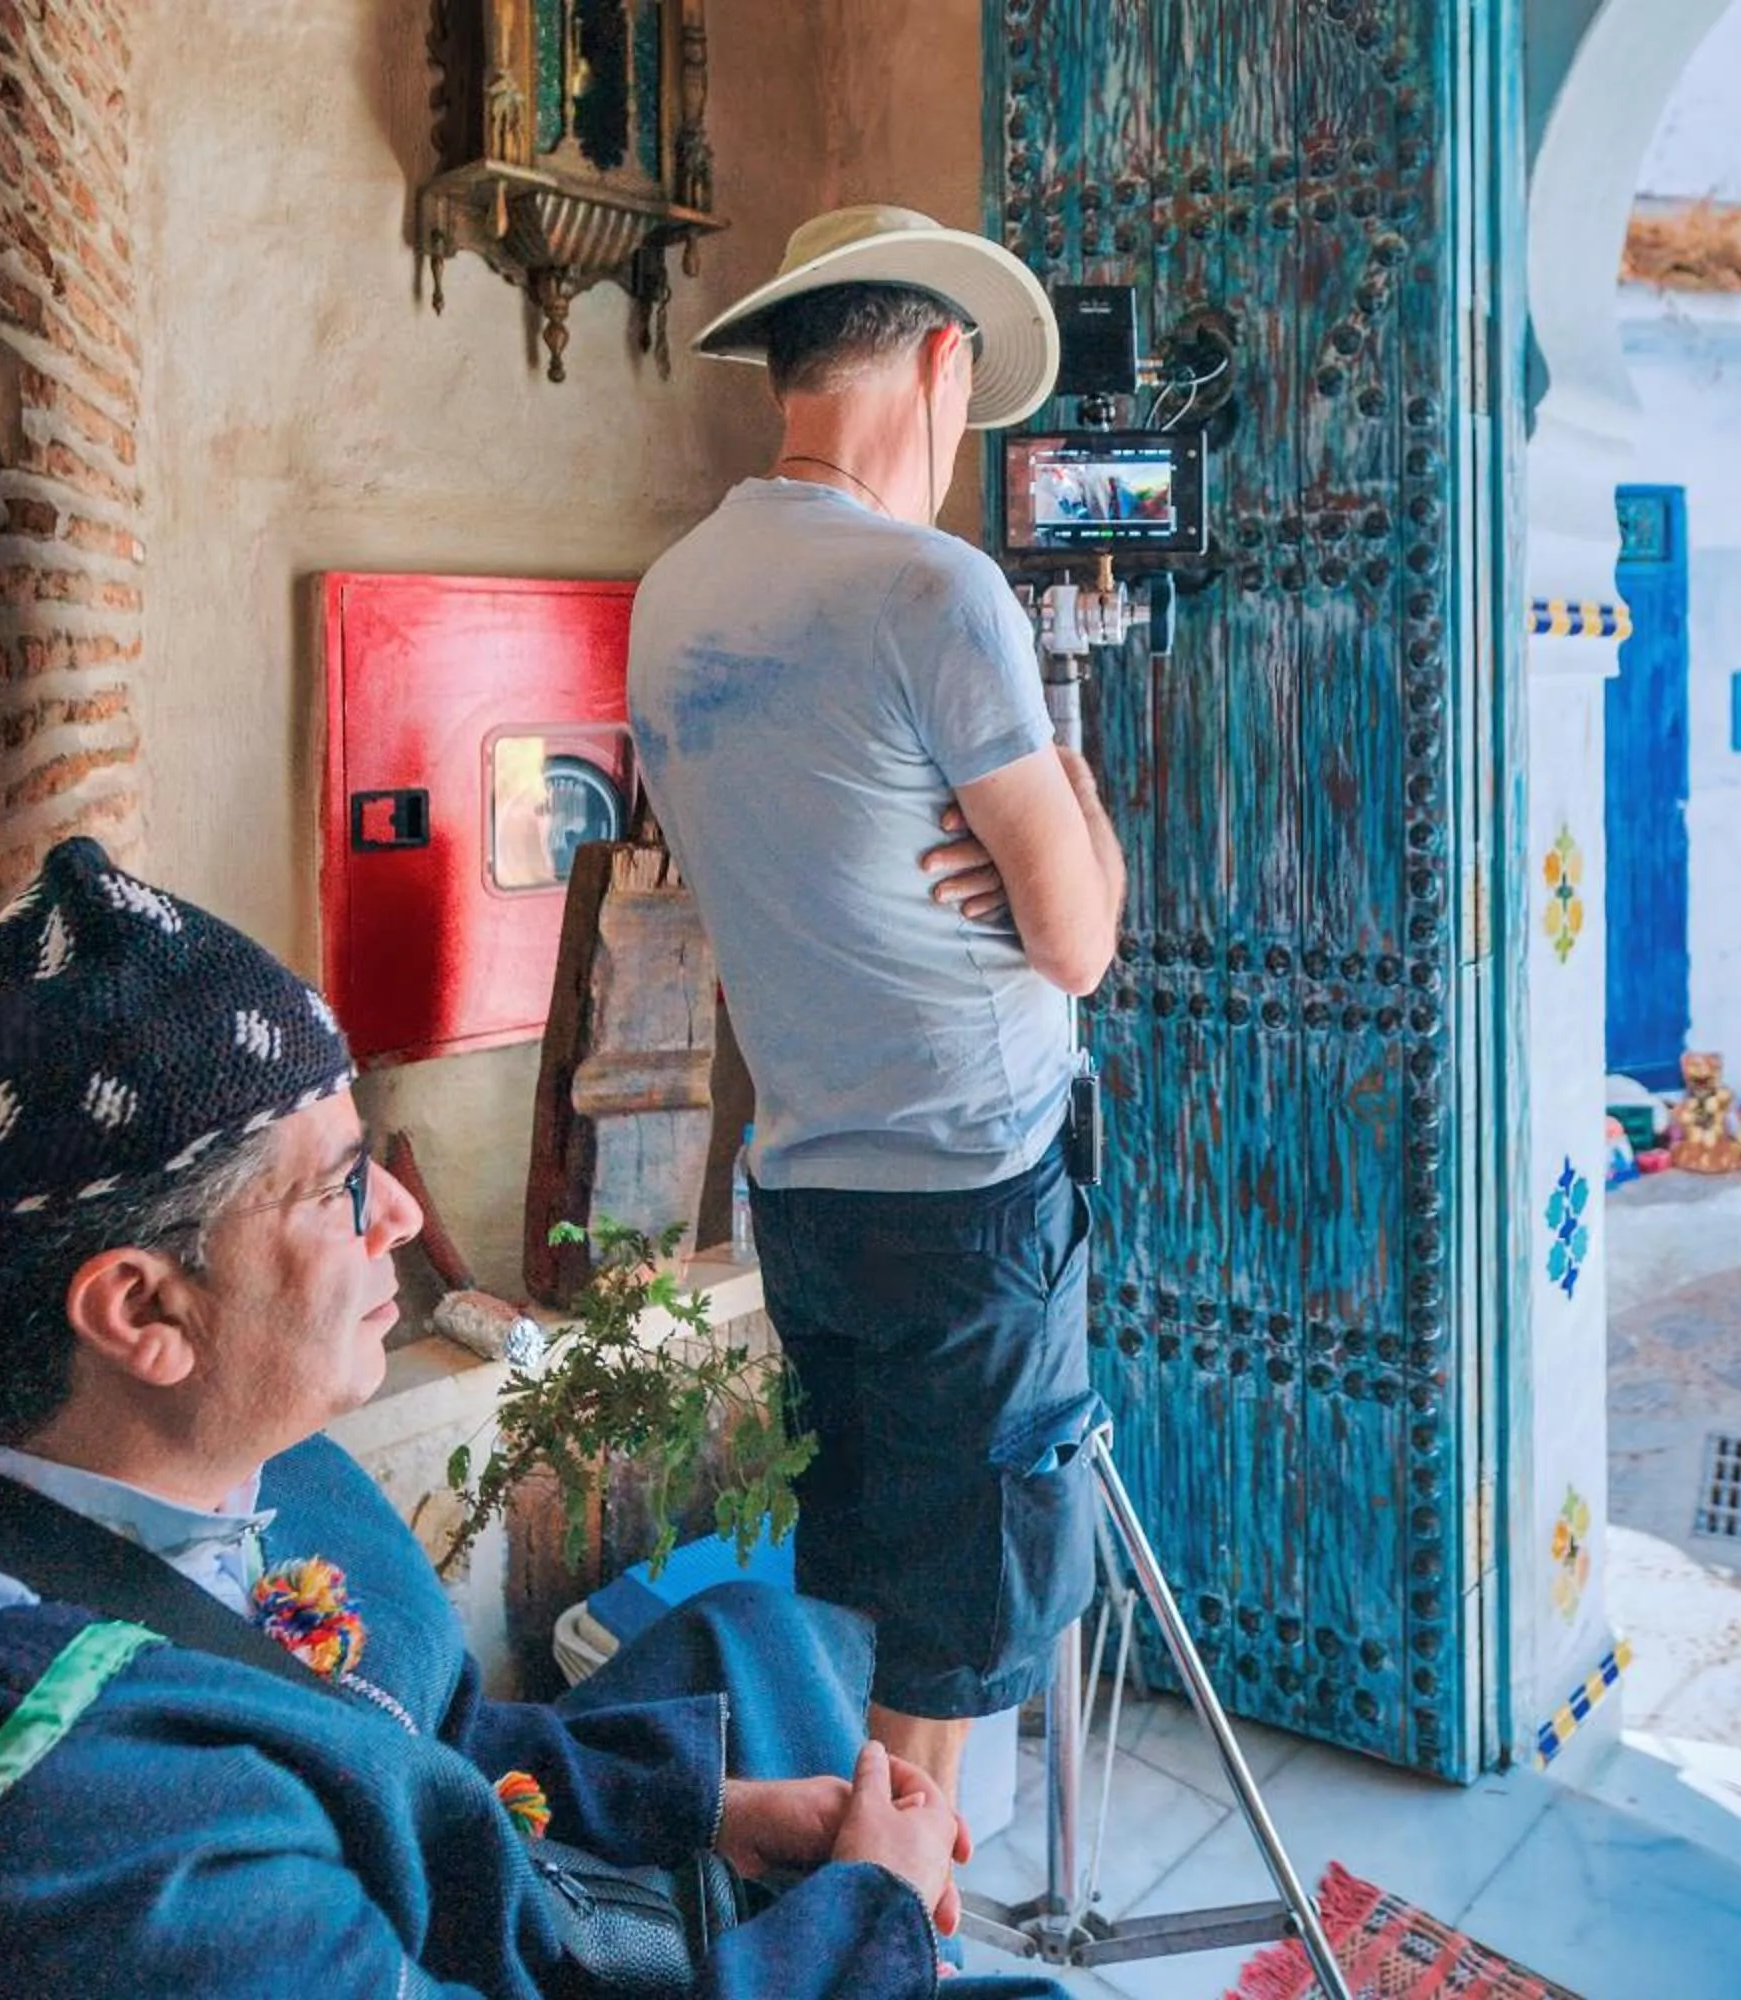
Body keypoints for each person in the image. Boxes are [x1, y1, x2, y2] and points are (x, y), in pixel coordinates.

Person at [0, 838, 1064, 2000]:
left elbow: (410, 1736)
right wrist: (861, 1919)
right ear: (142, 1312)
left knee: (762, 1642)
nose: (401, 1207)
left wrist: (718, 1810)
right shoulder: (116, 1851)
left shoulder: (214, 1475)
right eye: (335, 1188)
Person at [630, 206, 1125, 1799]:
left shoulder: (674, 592)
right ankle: (896, 1944)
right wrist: (1072, 798)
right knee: (949, 1676)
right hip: (971, 1201)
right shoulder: (932, 588)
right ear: (938, 360)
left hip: (810, 1198)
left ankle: (855, 1915)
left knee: (866, 1614)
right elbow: (1077, 941)